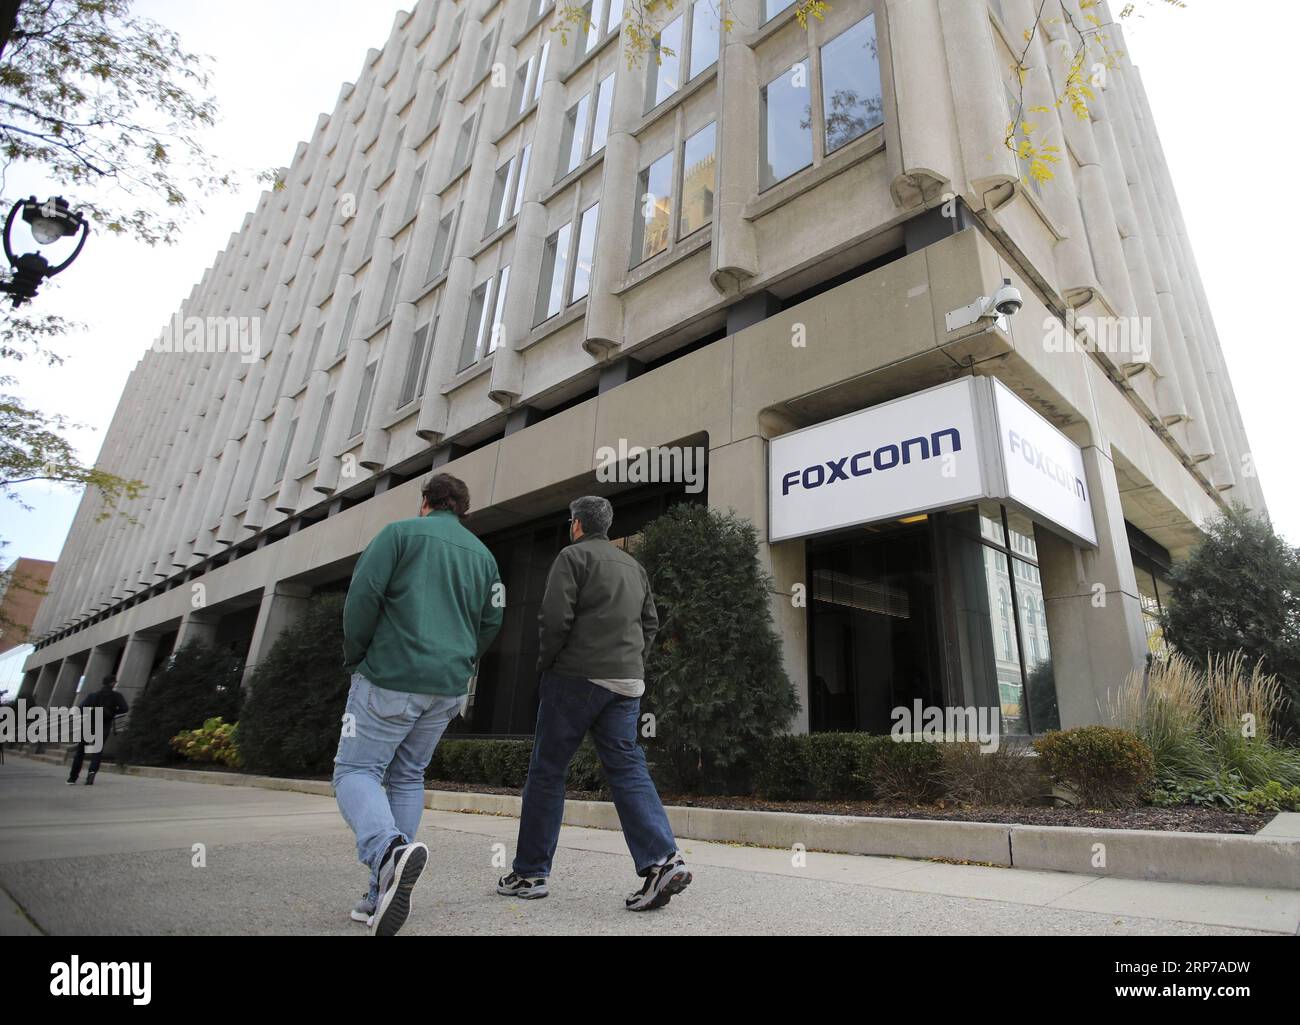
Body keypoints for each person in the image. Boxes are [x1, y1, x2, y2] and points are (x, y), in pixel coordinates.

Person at [498, 496, 691, 911]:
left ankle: (530, 873)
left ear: (577, 525)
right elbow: (651, 623)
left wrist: (548, 663)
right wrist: (632, 663)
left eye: (571, 522)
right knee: (627, 767)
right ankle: (662, 860)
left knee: (548, 770)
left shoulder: (572, 557)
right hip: (626, 683)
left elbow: (554, 618)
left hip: (575, 677)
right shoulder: (634, 566)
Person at [333, 473, 503, 937]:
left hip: (391, 674)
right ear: (461, 508)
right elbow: (492, 620)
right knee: (408, 775)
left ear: (426, 501)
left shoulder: (399, 534)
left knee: (355, 771)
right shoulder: (484, 558)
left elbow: (362, 598)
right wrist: (464, 659)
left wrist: (357, 656)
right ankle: (379, 893)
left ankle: (387, 851)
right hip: (446, 685)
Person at [66, 675, 129, 786]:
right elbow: (125, 708)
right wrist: (112, 712)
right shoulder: (116, 696)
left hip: (89, 724)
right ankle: (91, 776)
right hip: (104, 725)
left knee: (80, 751)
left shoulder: (93, 696)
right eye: (115, 682)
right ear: (112, 683)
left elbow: (81, 708)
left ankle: (72, 778)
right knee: (97, 751)